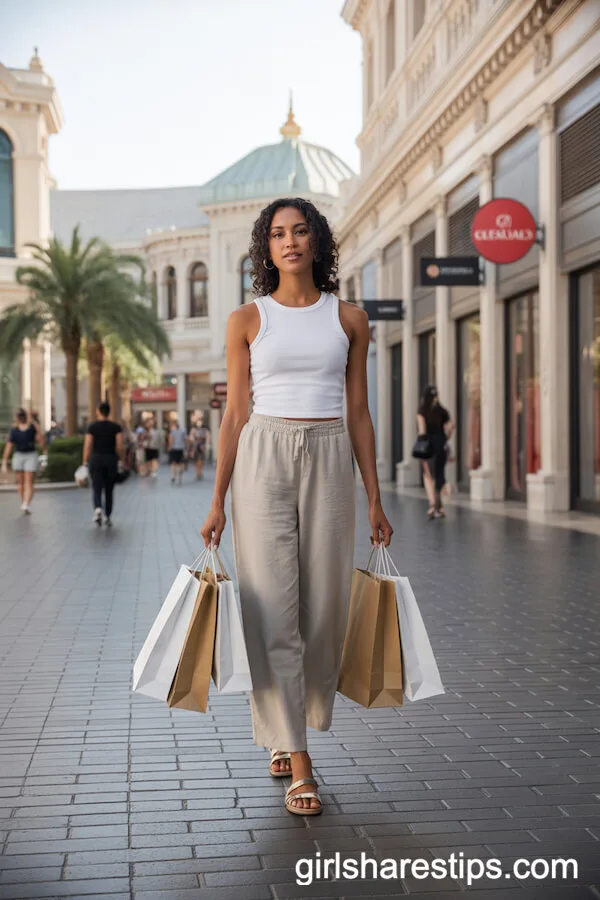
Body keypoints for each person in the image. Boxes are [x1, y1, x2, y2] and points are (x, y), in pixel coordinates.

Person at [200, 197, 393, 817]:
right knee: (270, 608)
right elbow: (234, 415)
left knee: (324, 609)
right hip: (263, 456)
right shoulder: (247, 320)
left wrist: (375, 498)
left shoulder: (351, 319)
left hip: (332, 452)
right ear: (266, 247)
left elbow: (360, 413)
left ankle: (286, 729)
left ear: (317, 241)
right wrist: (217, 501)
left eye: (300, 230)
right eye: (277, 234)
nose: (289, 242)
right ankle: (298, 757)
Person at [83, 401, 124, 526]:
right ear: (109, 412)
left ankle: (98, 508)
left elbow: (88, 445)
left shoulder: (92, 427)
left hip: (96, 459)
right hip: (111, 459)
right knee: (109, 489)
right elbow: (120, 445)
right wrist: (120, 460)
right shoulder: (116, 427)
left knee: (96, 486)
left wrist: (84, 460)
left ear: (98, 412)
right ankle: (108, 515)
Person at [417, 385, 454, 519]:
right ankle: (440, 507)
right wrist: (445, 437)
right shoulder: (442, 411)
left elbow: (422, 429)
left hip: (428, 445)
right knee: (438, 475)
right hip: (440, 445)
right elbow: (451, 426)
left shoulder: (422, 410)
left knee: (428, 475)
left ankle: (433, 504)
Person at [1, 408, 45, 514]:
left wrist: (36, 426)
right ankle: (24, 502)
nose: (21, 418)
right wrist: (4, 462)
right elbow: (9, 446)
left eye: (22, 416)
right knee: (20, 483)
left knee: (29, 482)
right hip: (19, 455)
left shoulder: (32, 427)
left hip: (30, 455)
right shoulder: (14, 430)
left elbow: (41, 441)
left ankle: (26, 504)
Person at [168, 419, 187, 484]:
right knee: (180, 463)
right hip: (181, 448)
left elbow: (171, 440)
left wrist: (170, 447)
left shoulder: (172, 431)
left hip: (174, 448)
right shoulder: (183, 431)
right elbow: (186, 439)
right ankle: (180, 476)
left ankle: (173, 476)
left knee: (173, 463)